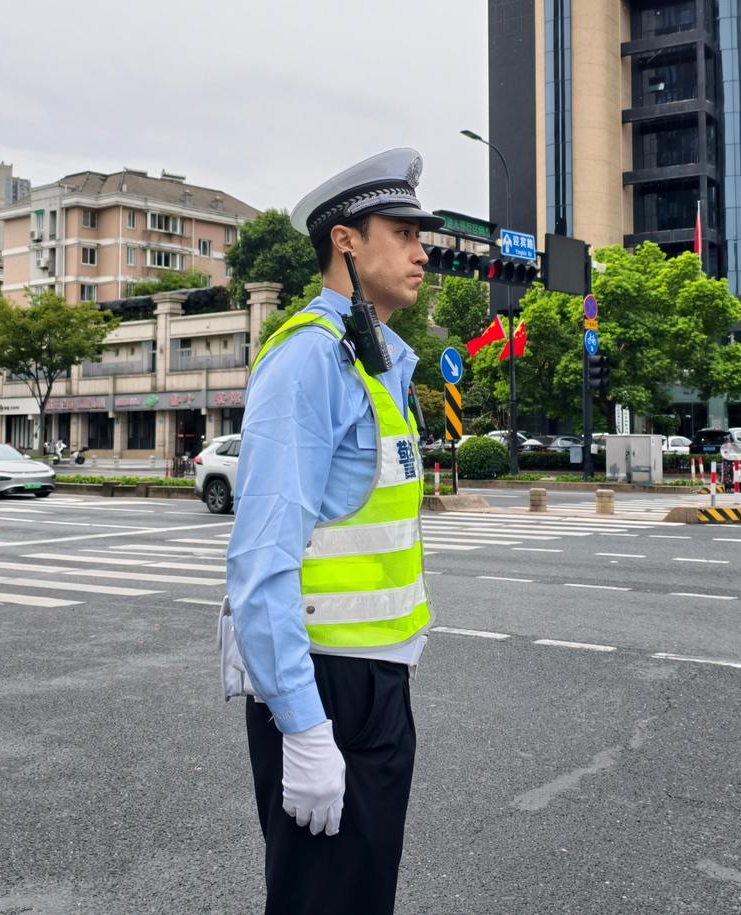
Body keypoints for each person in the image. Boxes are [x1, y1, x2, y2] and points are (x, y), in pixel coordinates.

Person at [225, 148, 442, 914]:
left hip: (377, 686)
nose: (422, 252)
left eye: (422, 236)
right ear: (346, 241)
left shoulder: (375, 362)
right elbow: (261, 564)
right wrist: (303, 727)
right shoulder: (308, 362)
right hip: (326, 690)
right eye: (403, 232)